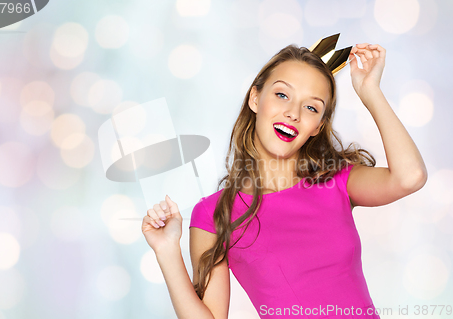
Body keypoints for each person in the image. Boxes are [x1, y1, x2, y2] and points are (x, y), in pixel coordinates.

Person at [141, 40, 427, 318]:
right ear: (255, 98)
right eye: (282, 95)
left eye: (311, 107)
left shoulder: (336, 181)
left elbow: (410, 177)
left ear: (318, 127)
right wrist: (167, 253)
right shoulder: (215, 215)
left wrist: (370, 91)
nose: (293, 113)